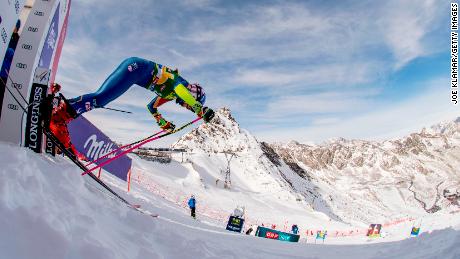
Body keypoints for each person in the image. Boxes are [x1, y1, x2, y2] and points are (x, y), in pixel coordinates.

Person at [50, 57, 215, 156]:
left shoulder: (171, 94)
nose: (187, 107)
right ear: (193, 95)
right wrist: (199, 109)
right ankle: (57, 117)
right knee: (100, 99)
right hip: (135, 69)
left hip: (134, 70)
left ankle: (59, 106)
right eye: (192, 103)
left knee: (101, 96)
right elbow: (182, 92)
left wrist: (161, 121)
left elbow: (151, 107)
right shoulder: (180, 84)